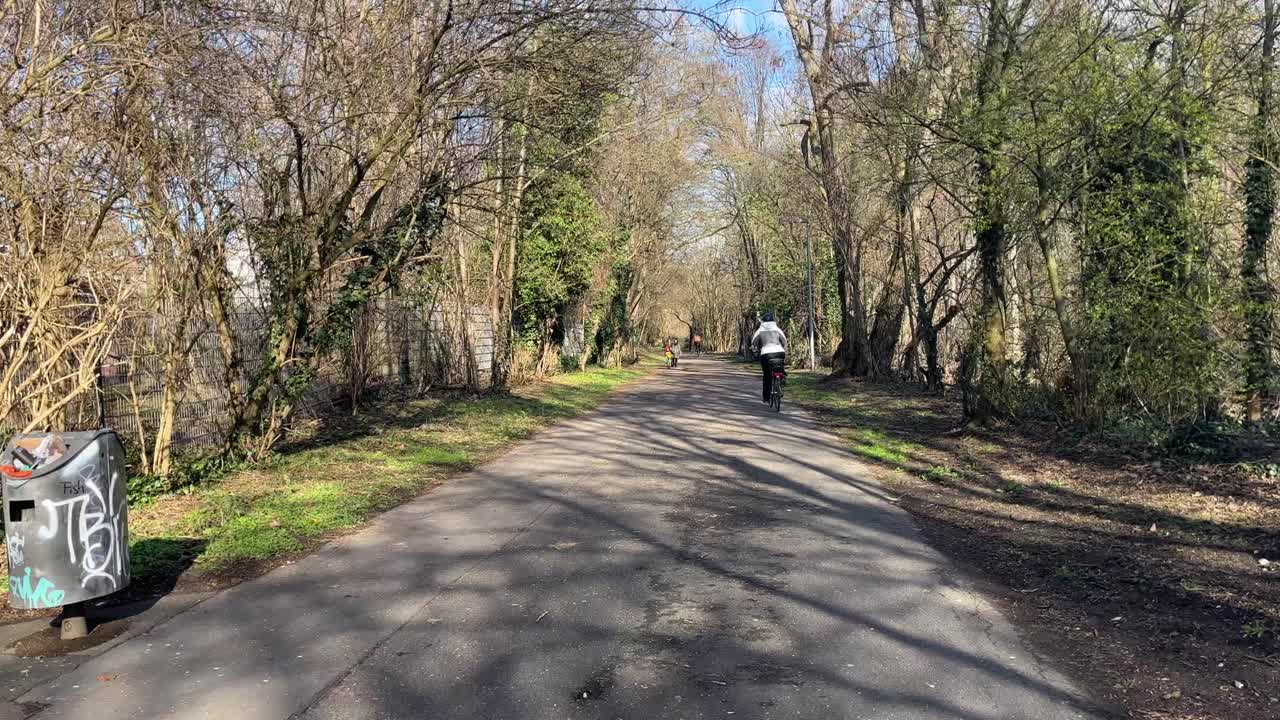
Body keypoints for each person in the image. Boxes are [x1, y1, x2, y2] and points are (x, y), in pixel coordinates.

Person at [751, 311, 788, 403]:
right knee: (780, 368)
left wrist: (755, 353)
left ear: (763, 321)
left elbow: (753, 343)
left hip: (766, 354)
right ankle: (782, 378)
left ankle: (766, 397)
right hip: (779, 352)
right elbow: (784, 341)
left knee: (767, 375)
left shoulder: (759, 331)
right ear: (773, 320)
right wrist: (785, 353)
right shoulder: (777, 329)